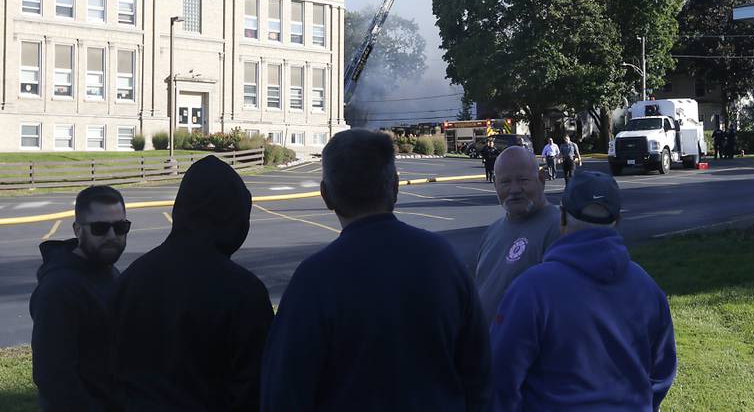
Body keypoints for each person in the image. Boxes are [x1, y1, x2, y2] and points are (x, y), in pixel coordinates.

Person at [260, 129, 490, 411]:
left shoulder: (313, 280)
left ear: (326, 196)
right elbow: (480, 374)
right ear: (394, 186)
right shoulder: (445, 259)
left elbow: (284, 393)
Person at [490, 170, 677, 411]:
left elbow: (499, 378)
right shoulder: (648, 289)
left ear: (562, 218)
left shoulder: (531, 290)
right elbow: (662, 373)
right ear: (617, 221)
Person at [111, 155, 274, 411]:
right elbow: (253, 387)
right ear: (235, 217)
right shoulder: (243, 292)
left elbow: (108, 371)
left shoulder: (131, 278)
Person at [30, 185, 130, 411]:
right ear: (77, 230)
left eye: (121, 227)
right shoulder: (59, 290)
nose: (112, 236)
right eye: (100, 228)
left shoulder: (104, 268)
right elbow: (54, 379)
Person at [474, 146, 561, 326]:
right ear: (495, 185)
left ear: (542, 179)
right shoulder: (492, 231)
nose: (514, 189)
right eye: (505, 182)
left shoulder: (560, 228)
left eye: (523, 180)